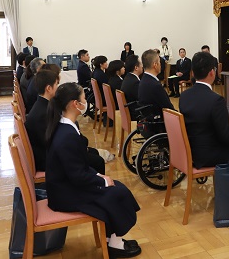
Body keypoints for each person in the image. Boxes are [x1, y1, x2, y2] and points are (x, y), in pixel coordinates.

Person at [45, 82, 141, 258]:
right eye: (83, 98)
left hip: (66, 184)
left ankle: (111, 239)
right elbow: (77, 175)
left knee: (116, 188)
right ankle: (115, 243)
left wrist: (98, 176)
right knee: (116, 193)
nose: (85, 102)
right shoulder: (66, 135)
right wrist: (101, 180)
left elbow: (77, 167)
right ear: (75, 104)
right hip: (64, 193)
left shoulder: (65, 125)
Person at [179, 52, 229, 168]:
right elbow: (226, 137)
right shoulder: (216, 100)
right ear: (212, 72)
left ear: (193, 73)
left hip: (189, 151)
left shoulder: (184, 96)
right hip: (207, 155)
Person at [25, 70, 105, 174]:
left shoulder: (42, 105)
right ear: (49, 88)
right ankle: (96, 187)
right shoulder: (43, 113)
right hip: (48, 159)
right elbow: (59, 141)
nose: (58, 87)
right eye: (57, 84)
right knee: (98, 161)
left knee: (92, 152)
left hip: (49, 151)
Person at [138, 49, 174, 119]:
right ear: (155, 65)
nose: (160, 64)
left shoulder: (143, 80)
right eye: (159, 62)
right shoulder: (155, 85)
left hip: (148, 120)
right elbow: (169, 109)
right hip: (159, 123)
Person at [121, 55, 143, 119]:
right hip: (135, 112)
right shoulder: (134, 82)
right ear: (136, 68)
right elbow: (142, 99)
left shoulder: (128, 77)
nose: (142, 66)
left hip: (130, 108)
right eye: (141, 64)